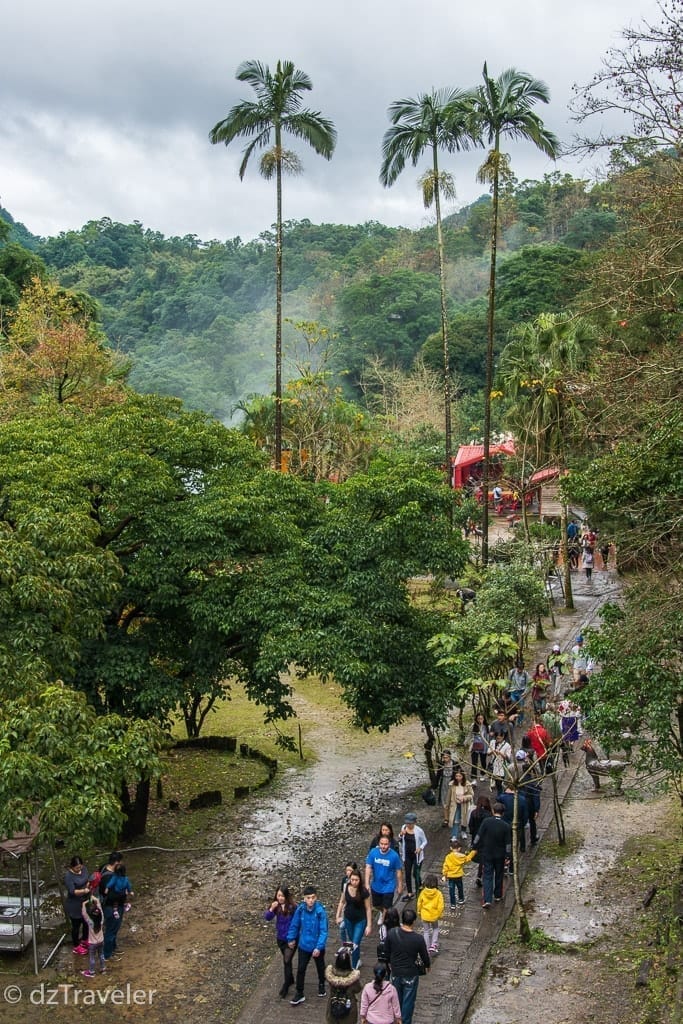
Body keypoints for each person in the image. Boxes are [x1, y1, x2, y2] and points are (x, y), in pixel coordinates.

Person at [384, 908, 430, 1024]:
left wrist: (390, 963)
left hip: (396, 972)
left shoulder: (391, 934)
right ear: (413, 921)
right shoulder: (418, 939)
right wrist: (427, 966)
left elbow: (386, 952)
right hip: (411, 974)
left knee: (396, 1000)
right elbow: (425, 956)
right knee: (408, 1002)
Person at [288, 885, 329, 1005]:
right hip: (304, 945)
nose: (310, 900)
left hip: (316, 945)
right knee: (300, 969)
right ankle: (299, 992)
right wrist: (291, 938)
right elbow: (294, 924)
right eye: (308, 898)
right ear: (304, 899)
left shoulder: (320, 911)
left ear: (316, 898)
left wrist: (319, 946)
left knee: (320, 967)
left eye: (313, 897)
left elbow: (323, 930)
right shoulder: (300, 910)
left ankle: (321, 984)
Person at [472, 802, 512, 909]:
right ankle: (498, 895)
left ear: (493, 811)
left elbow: (479, 835)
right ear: (503, 813)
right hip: (500, 855)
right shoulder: (506, 826)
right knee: (499, 875)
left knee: (487, 876)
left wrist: (474, 847)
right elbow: (508, 843)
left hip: (487, 853)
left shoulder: (486, 822)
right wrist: (508, 856)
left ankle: (487, 899)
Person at [265, 884, 297, 998]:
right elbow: (267, 917)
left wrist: (292, 938)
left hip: (291, 939)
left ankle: (286, 986)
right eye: (278, 895)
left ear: (286, 896)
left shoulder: (292, 907)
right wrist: (271, 908)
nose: (280, 898)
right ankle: (291, 978)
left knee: (287, 961)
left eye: (282, 896)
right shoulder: (277, 906)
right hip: (280, 939)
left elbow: (295, 924)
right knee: (286, 960)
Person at [335, 868, 372, 969]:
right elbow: (342, 902)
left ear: (360, 880)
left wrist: (369, 925)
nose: (354, 882)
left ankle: (354, 966)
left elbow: (368, 909)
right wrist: (337, 915)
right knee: (352, 942)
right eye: (352, 879)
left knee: (355, 943)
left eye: (356, 880)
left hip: (360, 920)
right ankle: (357, 958)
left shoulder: (364, 891)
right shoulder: (346, 887)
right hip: (348, 919)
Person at [365, 836, 403, 925]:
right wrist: (366, 883)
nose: (383, 846)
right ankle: (382, 912)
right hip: (376, 885)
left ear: (389, 844)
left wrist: (400, 885)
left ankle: (384, 924)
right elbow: (368, 867)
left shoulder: (394, 856)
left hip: (389, 885)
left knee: (387, 906)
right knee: (376, 904)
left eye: (386, 844)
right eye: (382, 844)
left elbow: (398, 871)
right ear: (379, 844)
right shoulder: (373, 853)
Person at [325, 946, 361, 1024]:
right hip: (348, 1007)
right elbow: (358, 989)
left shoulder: (331, 974)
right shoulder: (353, 978)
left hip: (333, 1003)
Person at [99, 851, 123, 961]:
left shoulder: (104, 868)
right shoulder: (108, 877)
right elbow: (111, 894)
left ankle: (113, 948)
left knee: (114, 929)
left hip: (113, 905)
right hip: (111, 907)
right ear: (116, 862)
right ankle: (107, 954)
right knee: (111, 930)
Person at [64, 855, 90, 953]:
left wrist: (89, 885)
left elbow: (87, 879)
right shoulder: (68, 876)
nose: (79, 869)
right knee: (76, 925)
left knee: (86, 922)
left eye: (80, 867)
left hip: (85, 901)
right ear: (72, 867)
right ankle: (76, 945)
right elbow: (72, 891)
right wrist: (84, 890)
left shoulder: (84, 870)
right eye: (77, 867)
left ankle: (85, 939)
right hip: (74, 904)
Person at [398, 813, 427, 900]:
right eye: (407, 823)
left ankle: (419, 888)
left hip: (416, 855)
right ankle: (409, 893)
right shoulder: (403, 827)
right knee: (407, 873)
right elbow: (400, 838)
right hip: (407, 855)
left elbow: (425, 841)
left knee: (416, 873)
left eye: (410, 823)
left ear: (414, 823)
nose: (408, 825)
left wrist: (420, 848)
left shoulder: (419, 831)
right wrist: (401, 834)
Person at [442, 838, 476, 908]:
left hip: (451, 876)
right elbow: (468, 858)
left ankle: (453, 904)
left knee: (451, 890)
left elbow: (445, 867)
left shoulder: (448, 857)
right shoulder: (462, 857)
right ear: (459, 848)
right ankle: (461, 899)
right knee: (460, 887)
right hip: (458, 876)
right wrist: (473, 852)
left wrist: (444, 875)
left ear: (451, 848)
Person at [468, 795, 493, 889]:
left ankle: (480, 875)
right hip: (486, 839)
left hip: (476, 838)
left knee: (479, 857)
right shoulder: (489, 815)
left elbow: (471, 826)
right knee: (484, 858)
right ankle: (480, 875)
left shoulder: (474, 813)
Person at [416, 873, 444, 955]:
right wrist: (439, 914)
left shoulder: (423, 892)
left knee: (426, 931)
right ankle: (433, 944)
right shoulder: (438, 893)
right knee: (435, 928)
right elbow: (441, 905)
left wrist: (419, 911)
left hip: (424, 915)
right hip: (434, 916)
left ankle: (426, 947)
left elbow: (419, 903)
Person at [81, 892, 106, 977]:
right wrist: (97, 901)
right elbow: (101, 910)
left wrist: (84, 904)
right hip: (101, 941)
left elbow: (84, 914)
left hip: (92, 943)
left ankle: (91, 972)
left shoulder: (90, 922)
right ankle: (103, 969)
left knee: (92, 957)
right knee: (101, 955)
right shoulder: (101, 920)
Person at [445, 768, 474, 839]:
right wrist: (447, 805)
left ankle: (463, 832)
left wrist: (464, 798)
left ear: (463, 776)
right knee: (456, 820)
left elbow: (471, 794)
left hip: (464, 805)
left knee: (464, 819)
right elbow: (449, 795)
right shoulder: (452, 784)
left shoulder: (467, 784)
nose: (458, 778)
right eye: (456, 776)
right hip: (455, 805)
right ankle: (454, 835)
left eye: (459, 776)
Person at [435, 750, 455, 825]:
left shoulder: (455, 763)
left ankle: (453, 816)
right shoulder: (441, 764)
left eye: (446, 757)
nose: (445, 759)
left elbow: (460, 772)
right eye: (444, 757)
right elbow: (438, 775)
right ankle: (446, 819)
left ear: (450, 757)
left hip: (452, 783)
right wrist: (435, 785)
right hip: (444, 783)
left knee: (453, 800)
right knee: (445, 801)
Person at [488, 732, 512, 796]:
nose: (498, 739)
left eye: (499, 738)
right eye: (497, 738)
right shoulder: (493, 742)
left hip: (502, 766)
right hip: (495, 766)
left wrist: (500, 753)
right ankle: (500, 795)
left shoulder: (507, 745)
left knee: (502, 783)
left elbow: (508, 758)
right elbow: (488, 753)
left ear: (503, 737)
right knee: (498, 783)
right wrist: (493, 751)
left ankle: (502, 795)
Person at [469, 713, 489, 781]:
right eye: (478, 719)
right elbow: (469, 735)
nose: (480, 720)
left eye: (481, 718)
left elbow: (488, 737)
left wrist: (489, 747)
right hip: (474, 747)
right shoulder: (473, 726)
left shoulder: (486, 727)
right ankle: (474, 778)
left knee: (483, 761)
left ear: (484, 719)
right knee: (474, 763)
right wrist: (466, 743)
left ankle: (482, 774)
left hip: (484, 747)